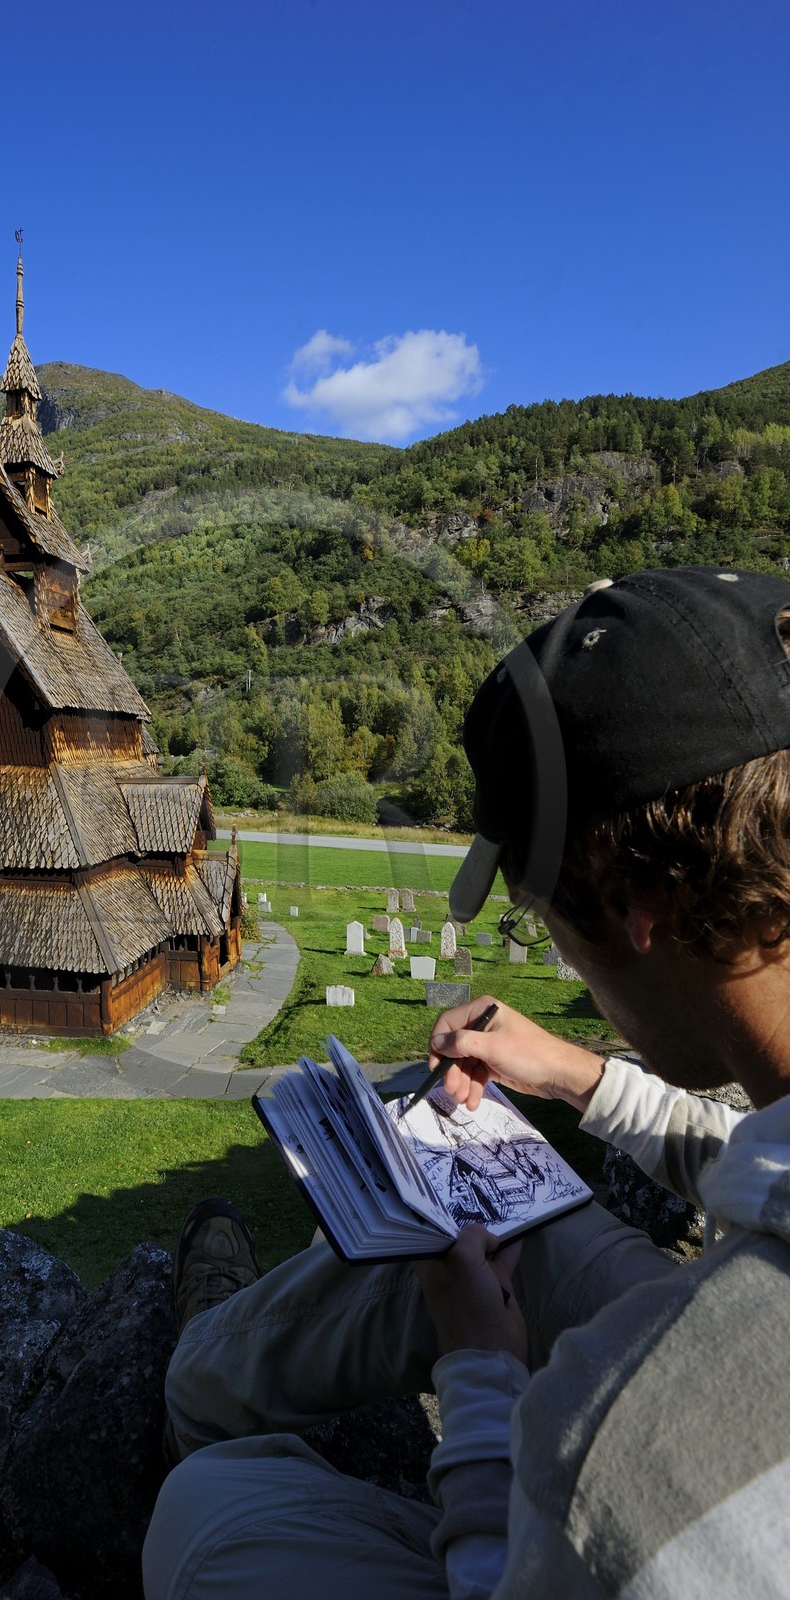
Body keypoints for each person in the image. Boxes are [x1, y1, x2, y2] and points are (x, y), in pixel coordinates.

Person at [143, 566, 790, 1600]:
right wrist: (581, 1076)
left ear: (636, 907)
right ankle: (214, 1367)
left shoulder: (628, 1458)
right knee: (512, 1220)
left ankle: (209, 1399)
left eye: (545, 918)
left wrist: (479, 1365)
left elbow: (517, 1571)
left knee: (207, 1511)